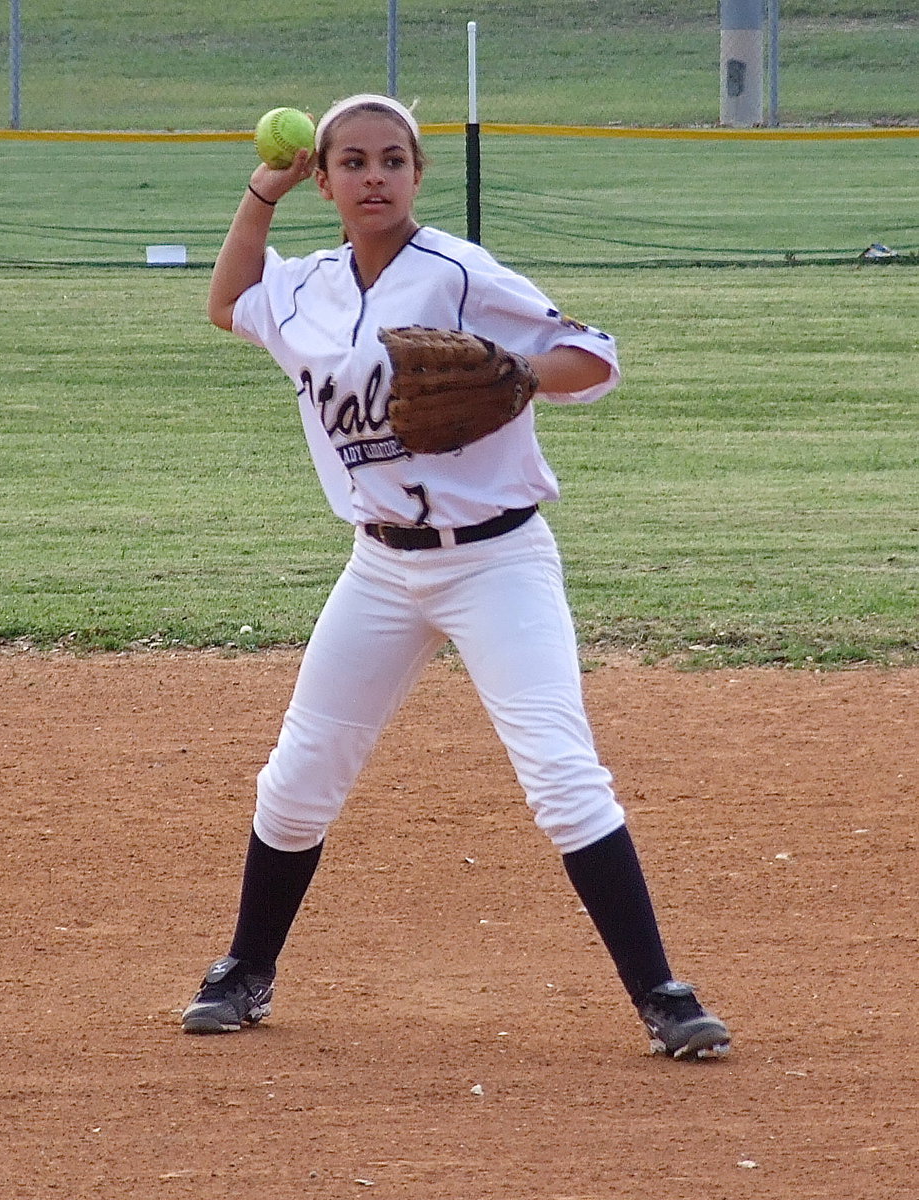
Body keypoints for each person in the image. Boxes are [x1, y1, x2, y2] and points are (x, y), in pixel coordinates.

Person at [181, 93, 730, 1060]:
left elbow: (590, 353)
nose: (374, 176)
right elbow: (228, 304)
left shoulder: (459, 273)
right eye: (351, 161)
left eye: (393, 159)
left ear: (418, 174)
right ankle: (245, 971)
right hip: (381, 569)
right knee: (301, 778)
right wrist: (258, 193)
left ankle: (663, 994)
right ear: (324, 179)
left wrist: (519, 374)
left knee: (563, 776)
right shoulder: (304, 287)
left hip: (498, 561)